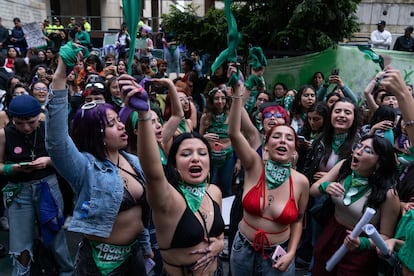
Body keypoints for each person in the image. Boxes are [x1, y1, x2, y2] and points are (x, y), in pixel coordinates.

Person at [46, 56, 148, 275]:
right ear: (97, 135)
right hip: (100, 266)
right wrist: (61, 74)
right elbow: (56, 141)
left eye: (119, 121)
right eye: (112, 124)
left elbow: (141, 212)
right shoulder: (85, 168)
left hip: (136, 257)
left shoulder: (133, 161)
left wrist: (147, 247)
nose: (122, 127)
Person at [117, 74, 225, 275]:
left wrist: (219, 243)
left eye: (202, 153)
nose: (195, 158)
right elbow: (153, 172)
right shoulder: (167, 197)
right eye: (186, 153)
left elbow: (215, 234)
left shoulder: (214, 191)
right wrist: (143, 115)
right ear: (173, 165)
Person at [228, 70, 309, 275]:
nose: (282, 140)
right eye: (276, 137)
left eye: (289, 138)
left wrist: (291, 253)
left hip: (277, 256)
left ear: (294, 150)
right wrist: (238, 93)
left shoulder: (301, 182)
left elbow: (298, 220)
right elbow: (234, 133)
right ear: (266, 146)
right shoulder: (254, 166)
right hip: (242, 250)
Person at [0, 94, 73, 275]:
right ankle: (21, 273)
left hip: (46, 185)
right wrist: (12, 168)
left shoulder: (48, 129)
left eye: (31, 122)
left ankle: (66, 271)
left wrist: (48, 161)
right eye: (19, 123)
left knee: (55, 234)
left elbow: (68, 158)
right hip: (19, 189)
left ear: (39, 116)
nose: (26, 127)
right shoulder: (4, 134)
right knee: (20, 240)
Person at [310, 134, 400, 275]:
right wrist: (325, 187)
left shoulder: (388, 194)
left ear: (379, 162)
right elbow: (313, 190)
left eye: (368, 150)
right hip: (331, 233)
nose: (358, 151)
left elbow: (386, 236)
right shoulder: (343, 167)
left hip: (359, 249)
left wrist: (362, 243)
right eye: (359, 146)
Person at [200, 87, 235, 197]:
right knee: (210, 186)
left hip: (228, 155)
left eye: (223, 98)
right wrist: (204, 137)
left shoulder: (231, 115)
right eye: (216, 98)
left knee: (227, 186)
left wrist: (238, 161)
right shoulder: (205, 117)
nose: (220, 101)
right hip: (211, 157)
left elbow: (238, 138)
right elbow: (198, 138)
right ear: (211, 101)